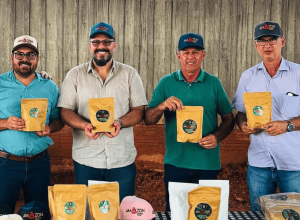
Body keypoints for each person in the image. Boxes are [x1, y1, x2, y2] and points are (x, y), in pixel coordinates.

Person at [57, 22, 147, 202]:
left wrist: (120, 123)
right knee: (90, 212)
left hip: (122, 160)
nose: (101, 46)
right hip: (86, 160)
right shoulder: (75, 75)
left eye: (107, 42)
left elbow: (139, 110)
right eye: (96, 42)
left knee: (122, 210)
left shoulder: (130, 74)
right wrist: (84, 125)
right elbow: (65, 111)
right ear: (90, 46)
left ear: (114, 45)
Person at [144, 33, 234, 211]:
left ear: (203, 55)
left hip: (207, 164)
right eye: (186, 52)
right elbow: (148, 119)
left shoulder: (214, 83)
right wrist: (161, 106)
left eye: (195, 52)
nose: (190, 57)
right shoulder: (166, 83)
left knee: (205, 213)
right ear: (178, 55)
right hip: (175, 163)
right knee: (177, 212)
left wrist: (216, 137)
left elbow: (229, 118)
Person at [232, 21, 300, 211]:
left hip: (293, 164)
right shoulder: (248, 76)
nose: (267, 46)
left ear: (283, 42)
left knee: (296, 213)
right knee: (259, 214)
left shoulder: (298, 74)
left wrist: (287, 125)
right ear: (256, 45)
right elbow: (240, 112)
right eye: (262, 41)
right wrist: (243, 125)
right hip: (259, 163)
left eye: (272, 40)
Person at [0, 35, 64, 212]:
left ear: (38, 59)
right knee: (2, 213)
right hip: (6, 163)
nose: (25, 59)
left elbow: (58, 119)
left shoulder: (49, 86)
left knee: (37, 213)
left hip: (39, 163)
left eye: (31, 55)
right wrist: (5, 123)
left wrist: (50, 128)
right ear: (12, 57)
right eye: (19, 54)